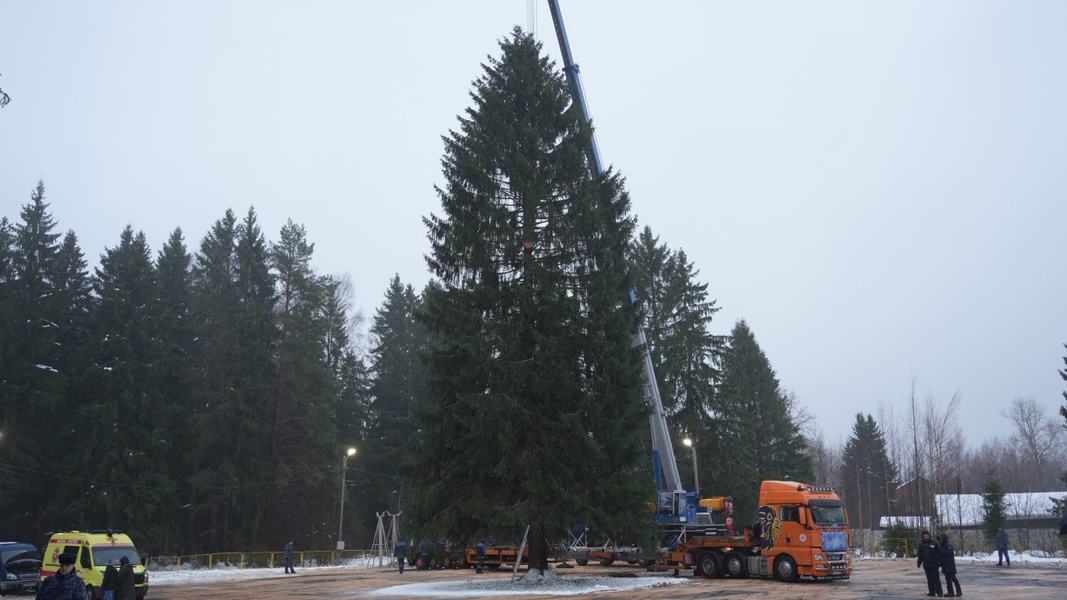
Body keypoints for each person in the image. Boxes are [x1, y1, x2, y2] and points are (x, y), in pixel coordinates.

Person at [916, 530, 943, 597]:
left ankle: (939, 592)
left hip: (934, 564)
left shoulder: (934, 543)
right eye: (924, 535)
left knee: (936, 578)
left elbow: (939, 553)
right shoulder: (921, 544)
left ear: (929, 535)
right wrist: (919, 562)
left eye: (927, 535)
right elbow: (920, 554)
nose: (926, 536)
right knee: (929, 579)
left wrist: (939, 562)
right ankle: (932, 591)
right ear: (923, 536)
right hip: (926, 564)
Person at [938, 533, 962, 597]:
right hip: (945, 565)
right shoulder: (942, 546)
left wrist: (941, 551)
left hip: (950, 565)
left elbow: (949, 553)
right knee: (947, 579)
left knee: (953, 578)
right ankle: (950, 592)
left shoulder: (948, 545)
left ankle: (959, 591)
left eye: (941, 539)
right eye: (939, 539)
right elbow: (940, 556)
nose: (940, 540)